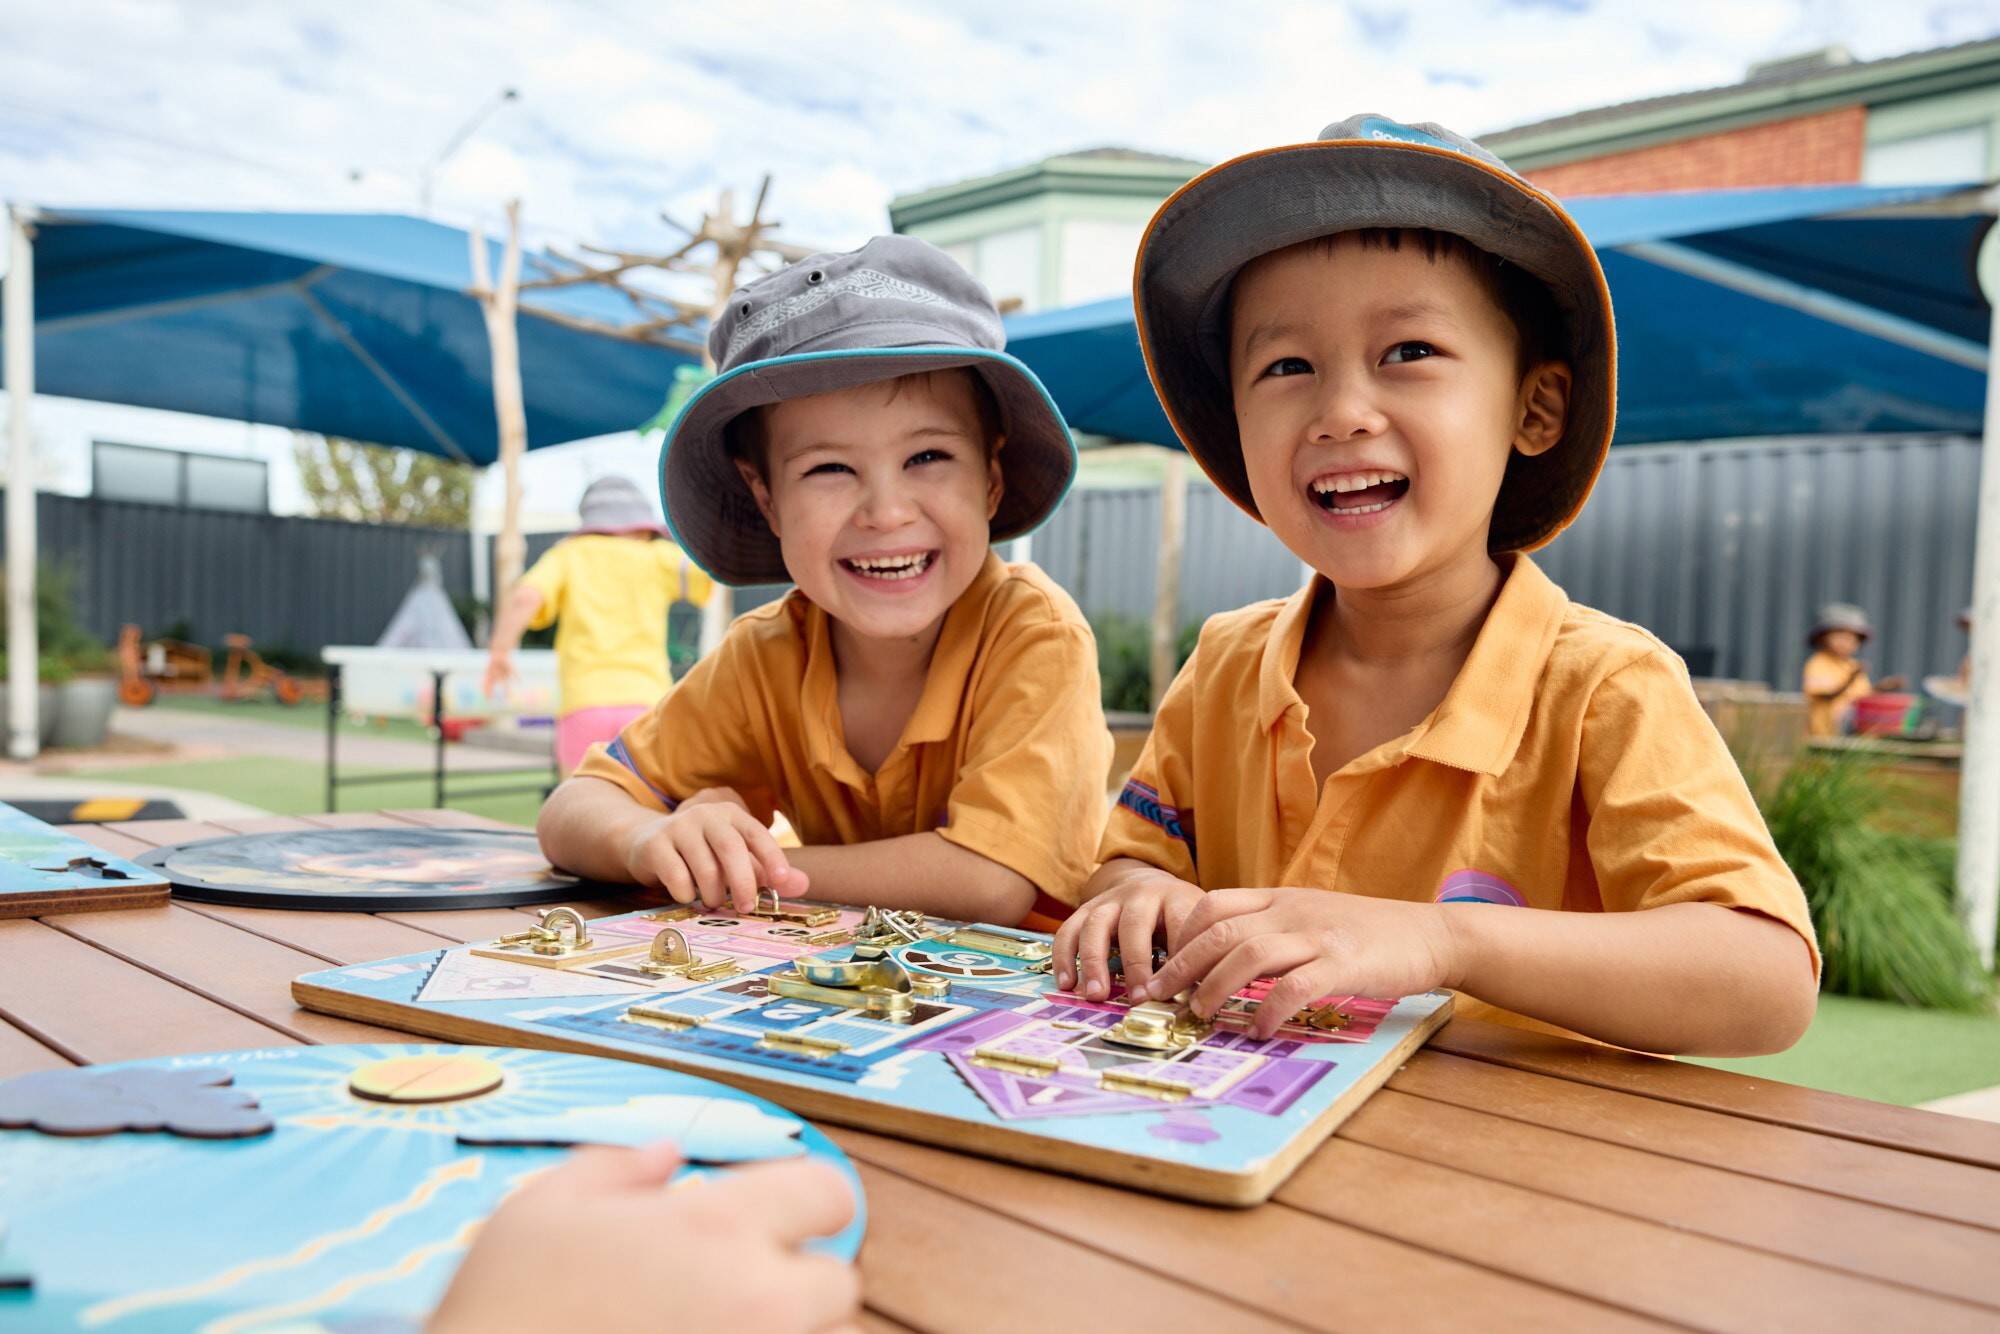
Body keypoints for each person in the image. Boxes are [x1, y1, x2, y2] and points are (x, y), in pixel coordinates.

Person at [1055, 115, 1819, 1056]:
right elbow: (1130, 856)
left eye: (1407, 352)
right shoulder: (1225, 663)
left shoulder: (1604, 687)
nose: (1341, 412)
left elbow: (1767, 983)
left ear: (1533, 409)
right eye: (1286, 365)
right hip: (1232, 1146)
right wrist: (1139, 896)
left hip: (1506, 1178)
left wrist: (1441, 938)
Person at [538, 236, 1111, 927]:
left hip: (1034, 1013)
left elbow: (992, 880)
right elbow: (571, 810)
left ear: (991, 478)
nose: (887, 512)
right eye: (829, 470)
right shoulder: (765, 657)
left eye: (928, 456)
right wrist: (652, 841)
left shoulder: (1030, 630)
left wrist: (742, 871)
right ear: (767, 499)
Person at [484, 476, 714, 774]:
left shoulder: (568, 554)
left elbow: (525, 597)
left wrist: (499, 652)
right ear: (644, 527)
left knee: (580, 807)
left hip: (584, 701)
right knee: (647, 807)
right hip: (646, 703)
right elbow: (710, 572)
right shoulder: (656, 557)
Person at [1802, 602, 1904, 738]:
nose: (1846, 642)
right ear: (1823, 638)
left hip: (1850, 735)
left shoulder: (1852, 665)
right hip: (1825, 734)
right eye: (1840, 636)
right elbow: (1825, 695)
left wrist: (1882, 688)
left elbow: (1860, 699)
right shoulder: (1818, 663)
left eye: (1851, 638)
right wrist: (1850, 679)